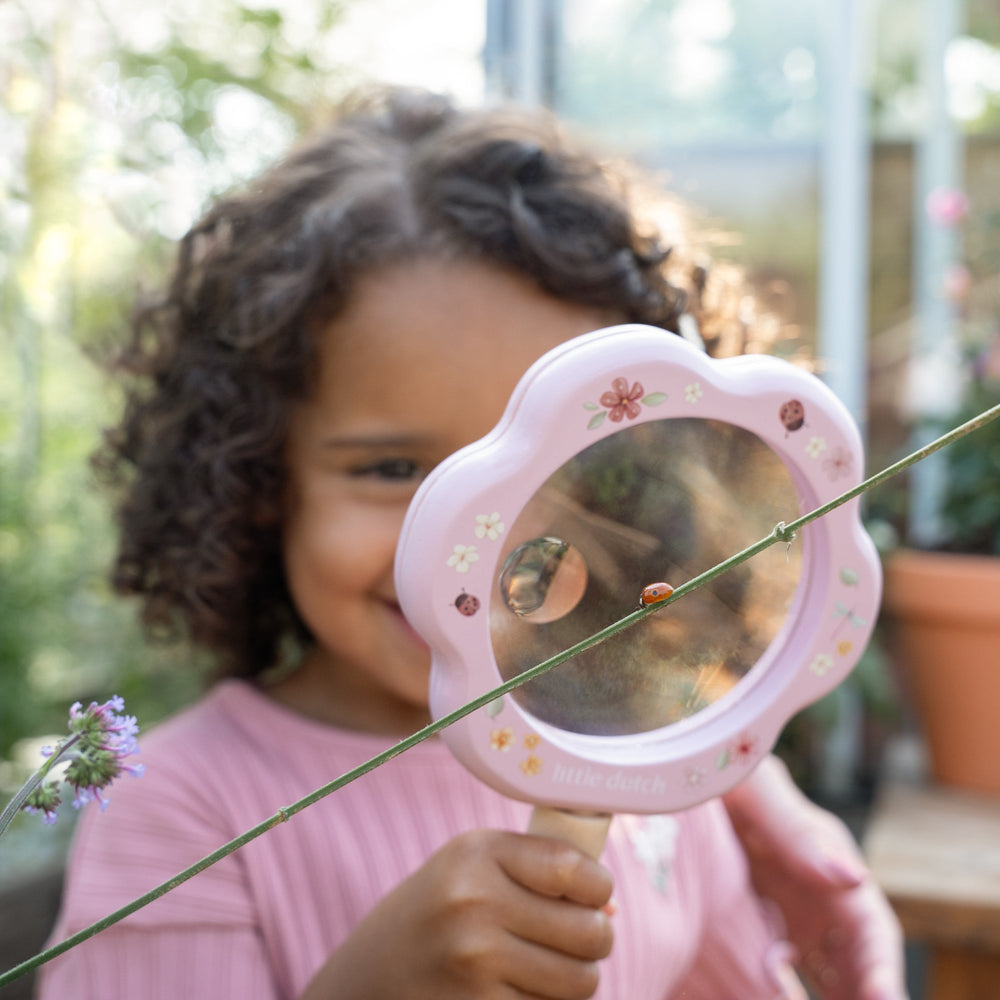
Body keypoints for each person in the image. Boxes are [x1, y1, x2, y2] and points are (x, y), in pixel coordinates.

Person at [38, 87, 906, 1000]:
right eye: (393, 469)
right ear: (257, 482)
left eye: (570, 470)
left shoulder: (649, 761)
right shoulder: (180, 813)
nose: (484, 544)